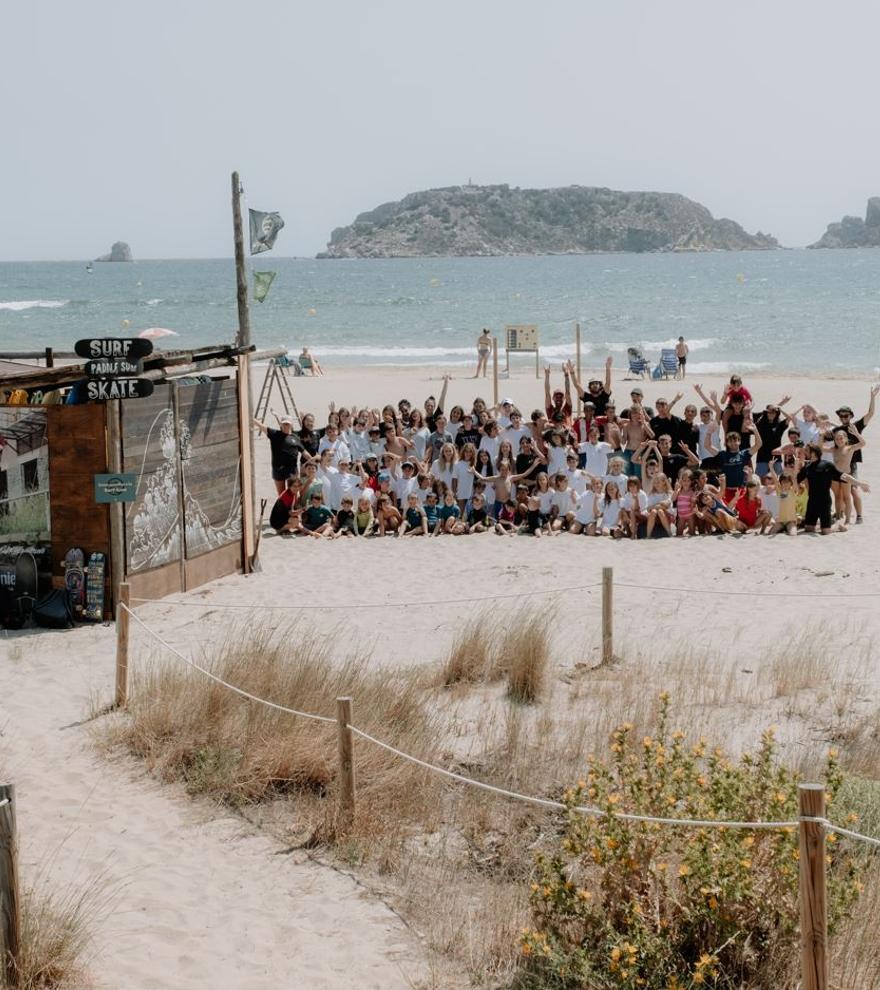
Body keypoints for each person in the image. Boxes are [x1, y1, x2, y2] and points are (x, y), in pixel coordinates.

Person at [253, 414, 303, 494]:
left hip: (292, 469)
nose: (286, 425)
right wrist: (250, 417)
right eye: (284, 424)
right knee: (281, 494)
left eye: (288, 424)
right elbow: (260, 425)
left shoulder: (295, 436)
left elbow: (304, 451)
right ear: (281, 424)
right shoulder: (274, 434)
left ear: (291, 424)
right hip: (278, 469)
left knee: (294, 492)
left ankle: (293, 507)